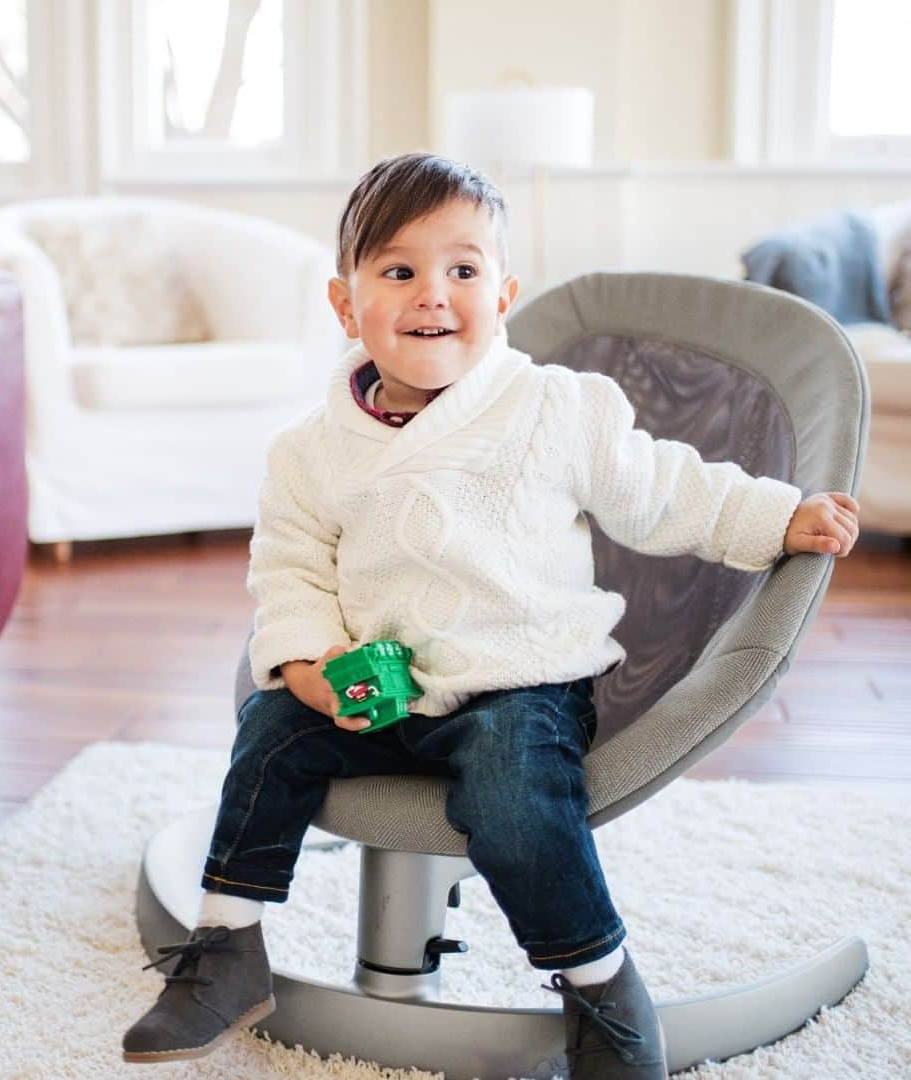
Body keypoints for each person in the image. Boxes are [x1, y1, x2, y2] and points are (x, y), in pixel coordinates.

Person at [121, 152, 861, 1077]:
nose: (433, 294)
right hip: (380, 685)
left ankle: (601, 985)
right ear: (347, 307)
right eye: (399, 271)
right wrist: (310, 666)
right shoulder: (308, 452)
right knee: (268, 734)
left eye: (462, 270)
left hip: (523, 681)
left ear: (502, 294)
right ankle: (226, 949)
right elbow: (291, 570)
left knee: (515, 795)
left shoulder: (554, 407)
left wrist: (773, 515)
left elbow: (661, 490)